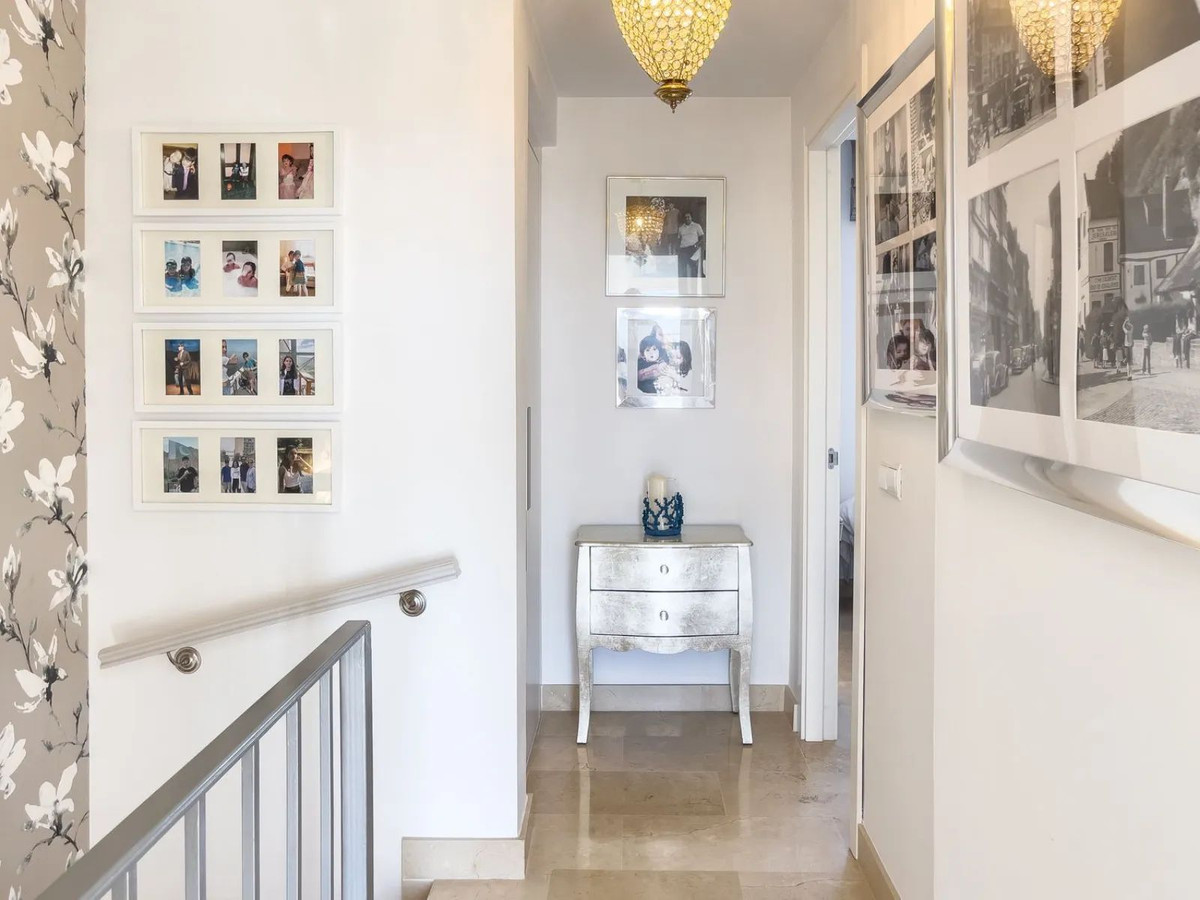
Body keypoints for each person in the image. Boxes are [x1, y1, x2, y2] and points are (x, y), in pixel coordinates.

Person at [677, 211, 704, 278]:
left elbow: (702, 237)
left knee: (694, 268)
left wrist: (696, 245)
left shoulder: (697, 226)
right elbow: (679, 239)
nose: (687, 218)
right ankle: (683, 283)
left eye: (688, 217)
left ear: (691, 217)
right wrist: (678, 249)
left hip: (693, 249)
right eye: (685, 217)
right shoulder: (681, 228)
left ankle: (694, 282)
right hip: (683, 249)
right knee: (682, 268)